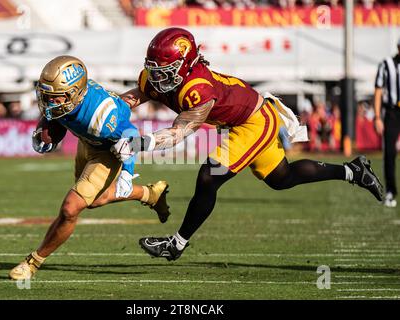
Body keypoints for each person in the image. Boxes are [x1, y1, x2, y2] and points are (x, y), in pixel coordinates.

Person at [111, 27, 384, 261]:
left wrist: (139, 143)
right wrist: (108, 110)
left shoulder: (197, 89)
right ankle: (354, 171)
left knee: (209, 175)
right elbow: (136, 96)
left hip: (254, 122)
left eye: (165, 71)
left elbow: (181, 131)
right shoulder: (157, 78)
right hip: (244, 118)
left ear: (185, 65)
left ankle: (176, 244)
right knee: (281, 178)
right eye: (154, 69)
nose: (156, 77)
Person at [9, 56, 171, 280]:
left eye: (55, 98)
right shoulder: (69, 96)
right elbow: (54, 110)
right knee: (95, 200)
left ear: (75, 93)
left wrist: (126, 172)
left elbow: (130, 134)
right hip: (87, 143)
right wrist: (48, 126)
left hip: (109, 152)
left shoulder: (101, 115)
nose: (49, 103)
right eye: (46, 97)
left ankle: (33, 262)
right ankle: (150, 193)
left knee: (70, 209)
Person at [374, 38, 400, 208]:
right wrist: (377, 117)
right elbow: (378, 90)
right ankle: (390, 191)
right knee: (389, 153)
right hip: (392, 112)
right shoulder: (386, 64)